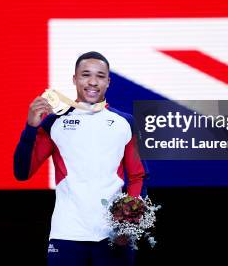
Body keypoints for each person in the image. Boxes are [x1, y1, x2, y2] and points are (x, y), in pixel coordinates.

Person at [13, 51, 148, 265]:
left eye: (100, 76)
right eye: (85, 75)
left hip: (113, 237)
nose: (93, 82)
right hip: (67, 235)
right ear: (74, 79)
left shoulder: (125, 122)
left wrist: (128, 225)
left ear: (108, 82)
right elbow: (22, 173)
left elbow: (137, 176)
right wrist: (30, 129)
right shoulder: (54, 122)